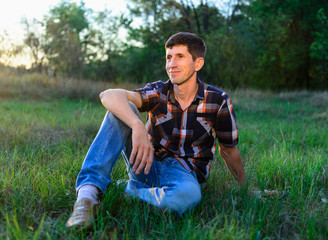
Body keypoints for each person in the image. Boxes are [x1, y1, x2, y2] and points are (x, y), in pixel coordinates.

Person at [65, 32, 246, 229]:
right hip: (147, 164)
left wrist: (244, 189)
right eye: (169, 57)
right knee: (121, 110)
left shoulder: (218, 101)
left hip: (185, 176)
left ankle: (116, 189)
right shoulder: (158, 91)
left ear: (198, 63)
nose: (171, 64)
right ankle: (87, 197)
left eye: (180, 57)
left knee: (186, 197)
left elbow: (228, 150)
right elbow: (109, 95)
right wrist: (137, 125)